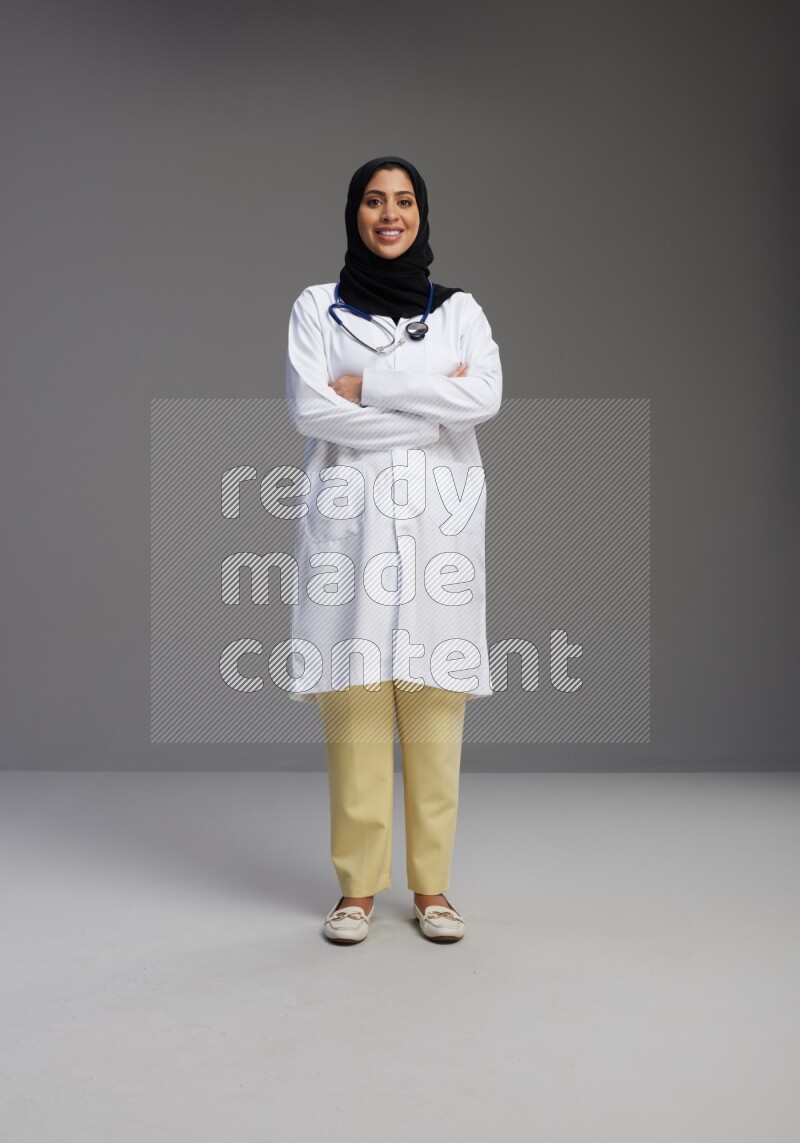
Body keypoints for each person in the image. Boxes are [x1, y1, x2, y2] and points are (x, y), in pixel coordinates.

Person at [284, 155, 502, 944]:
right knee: (356, 714)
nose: (389, 214)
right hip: (353, 534)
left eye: (403, 201)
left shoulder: (460, 311)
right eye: (374, 201)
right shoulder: (317, 306)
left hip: (437, 534)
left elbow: (483, 396)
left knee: (436, 715)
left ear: (421, 213)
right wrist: (427, 408)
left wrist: (370, 387)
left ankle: (434, 890)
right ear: (354, 213)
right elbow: (313, 410)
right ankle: (357, 892)